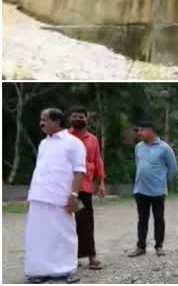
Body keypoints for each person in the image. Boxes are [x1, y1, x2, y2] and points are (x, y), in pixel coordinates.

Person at [25, 108, 86, 284]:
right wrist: (31, 196)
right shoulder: (43, 144)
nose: (41, 123)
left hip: (61, 197)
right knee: (39, 235)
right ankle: (40, 270)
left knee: (64, 234)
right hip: (39, 196)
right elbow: (40, 171)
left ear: (57, 121)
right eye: (40, 119)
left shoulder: (73, 143)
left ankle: (69, 269)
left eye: (45, 119)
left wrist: (74, 194)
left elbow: (79, 171)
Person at [128, 122, 177, 258]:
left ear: (151, 131)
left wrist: (161, 180)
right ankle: (140, 246)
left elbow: (172, 168)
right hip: (140, 189)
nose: (139, 133)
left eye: (142, 130)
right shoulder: (138, 147)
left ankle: (159, 246)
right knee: (142, 219)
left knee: (158, 218)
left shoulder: (165, 148)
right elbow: (139, 164)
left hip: (158, 190)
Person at [68, 106, 106, 271]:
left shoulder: (92, 139)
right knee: (68, 224)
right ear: (70, 119)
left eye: (81, 117)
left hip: (86, 187)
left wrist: (102, 183)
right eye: (75, 116)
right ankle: (71, 258)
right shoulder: (65, 138)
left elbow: (97, 160)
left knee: (86, 223)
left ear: (86, 119)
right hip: (67, 187)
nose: (78, 119)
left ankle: (92, 256)